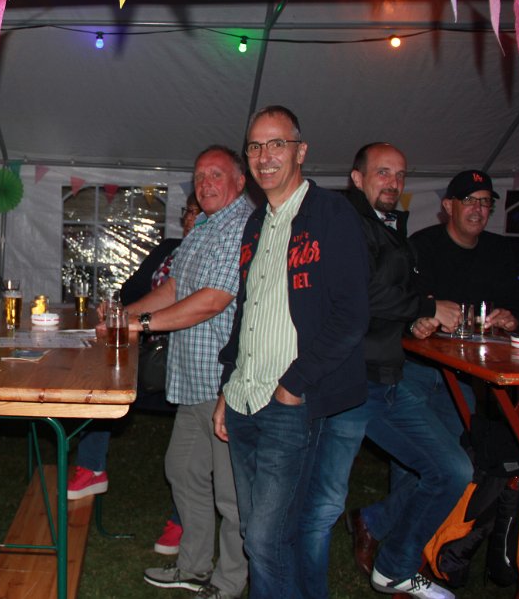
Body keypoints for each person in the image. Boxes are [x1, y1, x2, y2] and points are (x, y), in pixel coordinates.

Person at [298, 143, 470, 599]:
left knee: (453, 469)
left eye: (400, 174)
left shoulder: (388, 225)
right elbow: (360, 294)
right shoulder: (346, 222)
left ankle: (393, 567)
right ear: (357, 178)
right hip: (348, 381)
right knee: (322, 504)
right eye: (383, 172)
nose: (393, 182)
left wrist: (415, 319)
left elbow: (390, 299)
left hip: (389, 379)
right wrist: (426, 308)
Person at [213, 105, 370, 598]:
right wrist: (228, 387)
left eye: (276, 144)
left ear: (300, 151)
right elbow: (247, 311)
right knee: (258, 534)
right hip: (244, 400)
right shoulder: (256, 223)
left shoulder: (331, 216)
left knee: (266, 538)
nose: (265, 156)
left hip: (288, 403)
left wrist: (293, 385)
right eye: (255, 147)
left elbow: (352, 315)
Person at [348, 168, 519, 584]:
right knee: (418, 463)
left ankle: (377, 524)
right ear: (448, 206)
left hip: (465, 376)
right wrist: (421, 318)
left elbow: (513, 306)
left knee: (453, 463)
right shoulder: (422, 246)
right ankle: (400, 555)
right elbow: (404, 304)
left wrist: (508, 317)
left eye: (485, 202)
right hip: (415, 368)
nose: (478, 209)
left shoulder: (499, 251)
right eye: (469, 201)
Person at [110, 147, 250, 598]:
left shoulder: (242, 226)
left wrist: (143, 324)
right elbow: (175, 287)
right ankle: (193, 567)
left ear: (240, 181)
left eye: (216, 175)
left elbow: (213, 299)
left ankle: (230, 582)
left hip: (226, 382)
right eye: (199, 176)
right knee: (184, 471)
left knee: (231, 493)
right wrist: (124, 316)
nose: (205, 183)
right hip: (193, 380)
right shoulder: (205, 225)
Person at [67, 195, 200, 557]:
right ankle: (92, 467)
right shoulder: (169, 248)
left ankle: (184, 519)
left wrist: (135, 320)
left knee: (194, 452)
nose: (192, 218)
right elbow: (131, 290)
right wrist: (117, 311)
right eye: (189, 211)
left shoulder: (214, 253)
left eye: (200, 212)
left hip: (187, 359)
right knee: (101, 381)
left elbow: (187, 302)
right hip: (144, 353)